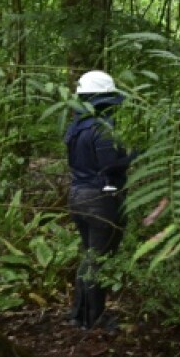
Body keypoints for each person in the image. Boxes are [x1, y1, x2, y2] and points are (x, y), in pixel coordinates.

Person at [64, 70, 134, 329]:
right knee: (98, 258)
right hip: (99, 199)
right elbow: (109, 165)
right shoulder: (102, 127)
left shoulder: (76, 126)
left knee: (90, 254)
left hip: (77, 195)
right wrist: (136, 156)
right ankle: (92, 318)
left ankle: (80, 314)